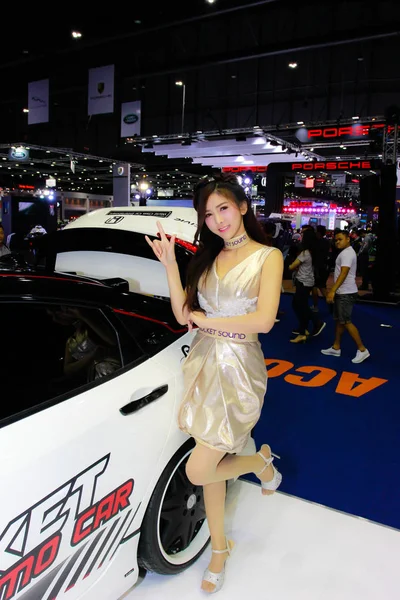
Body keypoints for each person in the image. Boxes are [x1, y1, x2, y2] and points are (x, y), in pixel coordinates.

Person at [145, 173, 283, 594]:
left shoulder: (268, 256)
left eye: (224, 208)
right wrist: (170, 264)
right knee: (207, 468)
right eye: (208, 213)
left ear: (242, 206)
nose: (218, 220)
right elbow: (182, 315)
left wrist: (210, 321)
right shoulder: (205, 259)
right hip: (203, 365)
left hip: (239, 372)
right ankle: (221, 545)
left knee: (200, 466)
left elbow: (263, 321)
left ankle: (259, 465)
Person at [321, 230, 370, 363]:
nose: (337, 242)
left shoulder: (347, 253)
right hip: (343, 292)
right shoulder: (345, 252)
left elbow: (344, 273)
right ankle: (336, 347)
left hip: (346, 293)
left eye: (340, 239)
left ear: (348, 239)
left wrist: (332, 291)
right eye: (336, 240)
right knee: (340, 321)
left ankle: (362, 350)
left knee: (346, 321)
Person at [288, 228, 326, 343]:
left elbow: (292, 266)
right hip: (308, 281)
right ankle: (303, 328)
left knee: (301, 306)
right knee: (297, 304)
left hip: (303, 282)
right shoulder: (313, 252)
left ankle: (312, 326)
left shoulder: (305, 253)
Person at [312, 225, 331, 310]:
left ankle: (315, 306)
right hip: (325, 267)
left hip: (317, 268)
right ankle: (331, 304)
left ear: (318, 232)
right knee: (322, 287)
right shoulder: (327, 242)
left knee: (315, 287)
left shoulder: (316, 243)